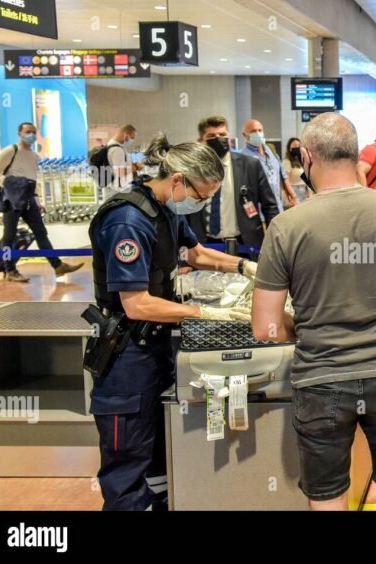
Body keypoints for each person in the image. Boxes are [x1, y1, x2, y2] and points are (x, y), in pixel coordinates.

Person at [251, 113, 376, 511]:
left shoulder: (286, 227)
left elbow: (265, 326)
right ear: (356, 154)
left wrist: (307, 325)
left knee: (328, 497)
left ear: (306, 157)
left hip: (322, 380)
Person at [87, 134, 258, 511]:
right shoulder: (128, 220)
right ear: (178, 179)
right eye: (201, 194)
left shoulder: (163, 209)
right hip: (126, 357)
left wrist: (247, 267)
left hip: (158, 348)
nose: (203, 202)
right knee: (128, 463)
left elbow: (196, 254)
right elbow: (136, 304)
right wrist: (205, 313)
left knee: (162, 457)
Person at [0, 122, 83, 283]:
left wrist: (37, 200)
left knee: (41, 233)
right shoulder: (10, 151)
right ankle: (10, 270)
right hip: (11, 200)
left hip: (28, 199)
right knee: (9, 235)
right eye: (27, 131)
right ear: (20, 133)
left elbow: (33, 180)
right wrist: (12, 185)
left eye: (33, 132)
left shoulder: (33, 156)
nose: (31, 135)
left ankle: (57, 265)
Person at [187, 115, 280, 259]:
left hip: (245, 245)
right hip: (204, 247)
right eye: (211, 136)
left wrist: (274, 243)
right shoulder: (191, 171)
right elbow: (184, 214)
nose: (218, 139)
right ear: (201, 141)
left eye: (222, 134)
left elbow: (270, 207)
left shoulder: (250, 165)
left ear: (229, 136)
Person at [239, 119, 297, 211]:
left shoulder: (271, 150)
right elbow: (243, 190)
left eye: (260, 130)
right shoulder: (243, 157)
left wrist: (293, 196)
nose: (257, 134)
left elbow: (283, 176)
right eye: (253, 131)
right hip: (259, 211)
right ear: (244, 135)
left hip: (278, 208)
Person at [106, 124, 143, 198]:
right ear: (125, 135)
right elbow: (119, 172)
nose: (132, 140)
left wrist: (133, 165)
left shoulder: (112, 146)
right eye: (132, 137)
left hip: (118, 190)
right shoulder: (117, 150)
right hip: (119, 192)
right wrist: (136, 167)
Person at [283, 137, 309, 203]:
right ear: (289, 148)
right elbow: (285, 181)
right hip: (295, 192)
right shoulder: (287, 162)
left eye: (299, 146)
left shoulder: (301, 161)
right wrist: (289, 196)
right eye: (294, 145)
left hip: (304, 191)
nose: (297, 147)